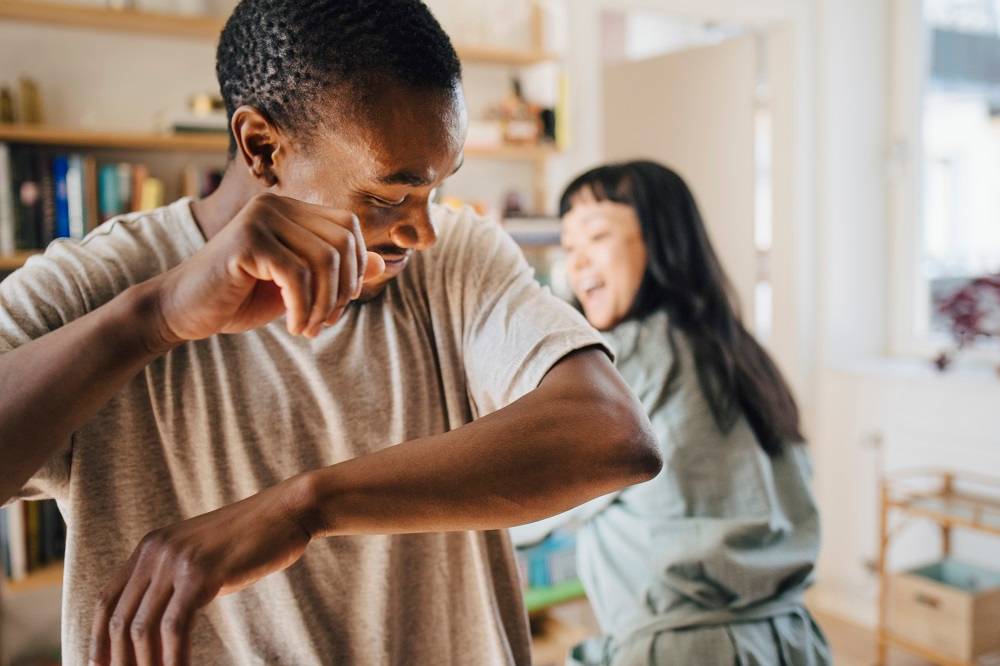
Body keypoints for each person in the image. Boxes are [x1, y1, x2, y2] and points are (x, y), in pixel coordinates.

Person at [0, 3, 663, 664]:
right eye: (385, 197)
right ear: (263, 146)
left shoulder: (454, 256)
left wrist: (301, 507)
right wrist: (154, 319)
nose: (422, 230)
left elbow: (614, 435)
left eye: (436, 187)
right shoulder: (98, 284)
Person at [511, 161, 831, 665]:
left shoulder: (624, 361)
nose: (578, 263)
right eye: (569, 248)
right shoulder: (741, 353)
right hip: (792, 641)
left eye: (596, 237)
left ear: (660, 242)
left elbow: (525, 504)